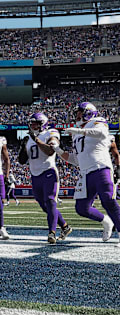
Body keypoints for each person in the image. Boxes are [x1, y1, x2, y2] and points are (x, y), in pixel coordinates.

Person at [53, 102, 120, 246]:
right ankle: (106, 221)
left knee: (108, 200)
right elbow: (76, 159)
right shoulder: (77, 135)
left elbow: (102, 133)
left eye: (79, 112)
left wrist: (79, 131)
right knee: (82, 208)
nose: (76, 115)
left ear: (88, 113)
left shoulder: (97, 122)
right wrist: (58, 150)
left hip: (101, 168)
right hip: (85, 173)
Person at [19, 112, 72, 244]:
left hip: (48, 172)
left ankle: (52, 233)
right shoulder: (29, 138)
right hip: (35, 175)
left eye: (36, 123)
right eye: (32, 123)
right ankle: (65, 226)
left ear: (43, 124)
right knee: (45, 206)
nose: (33, 126)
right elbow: (21, 161)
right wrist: (22, 148)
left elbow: (50, 151)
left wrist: (36, 139)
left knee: (50, 201)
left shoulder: (51, 133)